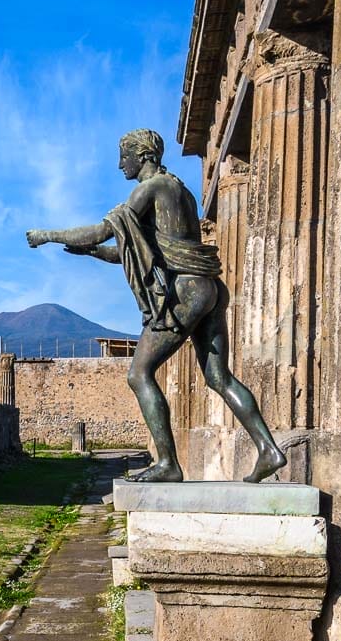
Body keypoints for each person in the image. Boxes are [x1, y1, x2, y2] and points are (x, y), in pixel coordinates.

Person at [26, 128, 285, 483]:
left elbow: (103, 231)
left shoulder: (150, 188)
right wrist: (92, 254)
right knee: (218, 377)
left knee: (138, 374)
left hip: (184, 292)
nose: (120, 164)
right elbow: (132, 251)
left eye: (124, 156)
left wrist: (48, 236)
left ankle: (168, 464)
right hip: (207, 288)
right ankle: (269, 449)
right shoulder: (182, 192)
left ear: (143, 155)